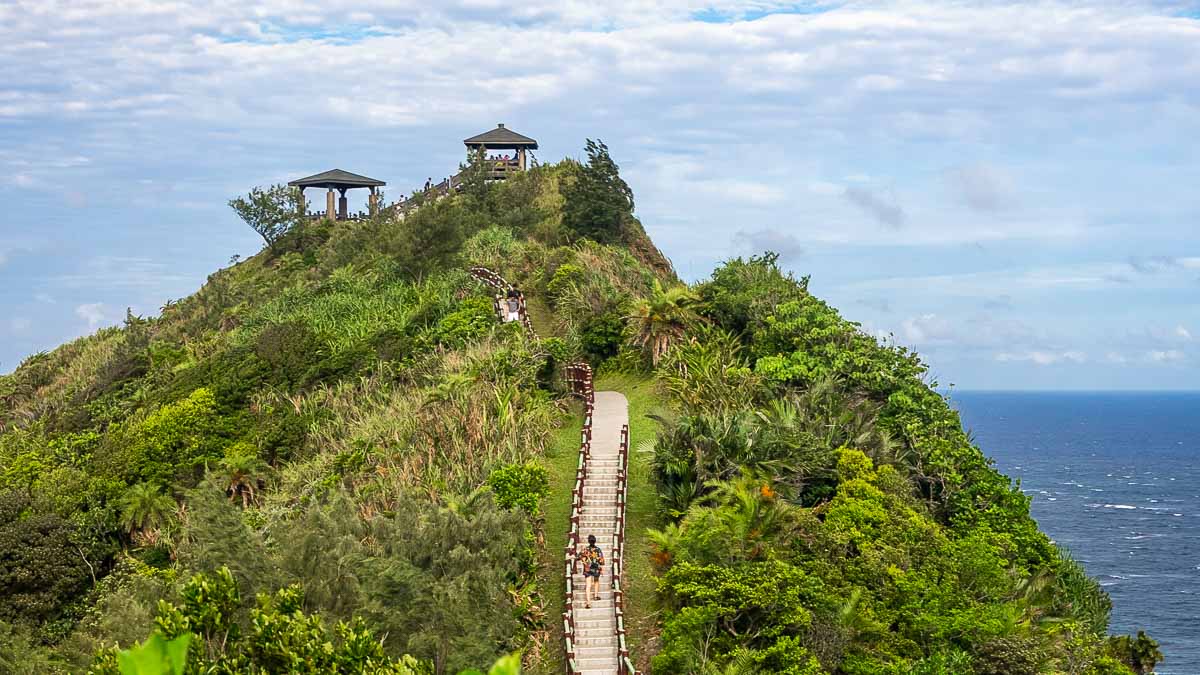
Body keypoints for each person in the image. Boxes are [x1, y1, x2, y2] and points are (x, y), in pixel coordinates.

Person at [581, 534, 604, 608]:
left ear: (588, 541)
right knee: (596, 581)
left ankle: (588, 603)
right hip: (596, 568)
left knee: (588, 585)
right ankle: (596, 595)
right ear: (595, 541)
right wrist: (601, 567)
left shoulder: (585, 550)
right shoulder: (598, 550)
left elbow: (579, 557)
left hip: (587, 568)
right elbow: (601, 560)